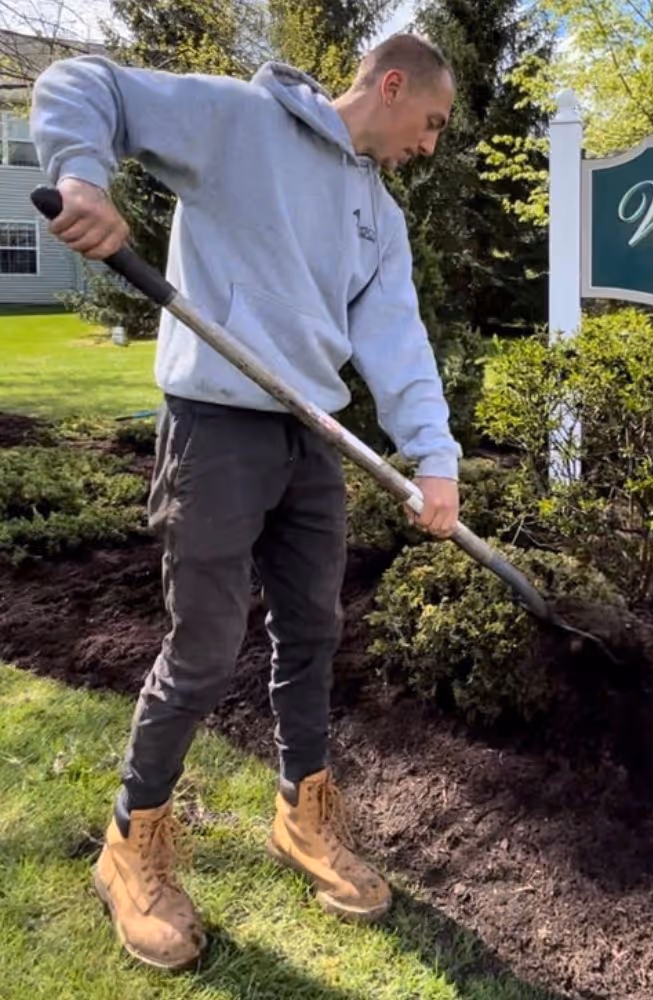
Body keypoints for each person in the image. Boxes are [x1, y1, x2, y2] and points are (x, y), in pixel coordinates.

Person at [29, 33, 462, 971]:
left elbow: (395, 338)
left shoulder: (377, 217)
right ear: (391, 87)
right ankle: (130, 841)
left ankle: (302, 814)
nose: (429, 146)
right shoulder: (241, 121)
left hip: (313, 437)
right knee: (204, 648)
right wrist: (82, 176)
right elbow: (82, 79)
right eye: (429, 123)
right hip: (217, 427)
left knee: (313, 629)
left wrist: (434, 459)